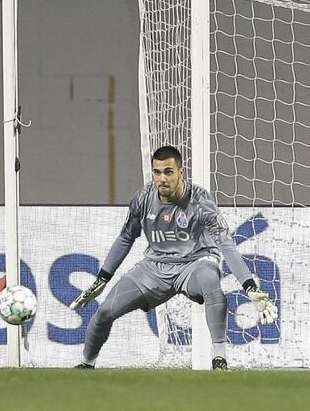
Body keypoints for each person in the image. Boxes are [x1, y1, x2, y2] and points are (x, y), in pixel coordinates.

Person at [70, 145, 278, 370]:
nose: (162, 179)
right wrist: (102, 279)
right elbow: (125, 239)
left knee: (210, 278)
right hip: (153, 269)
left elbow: (225, 243)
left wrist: (249, 287)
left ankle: (219, 358)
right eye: (157, 172)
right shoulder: (143, 198)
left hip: (194, 265)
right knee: (104, 312)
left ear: (181, 172)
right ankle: (86, 365)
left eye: (168, 172)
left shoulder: (200, 200)